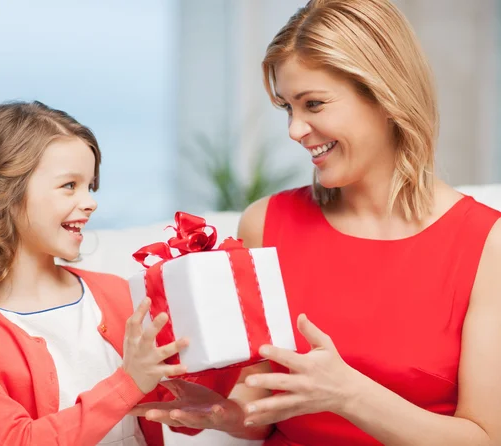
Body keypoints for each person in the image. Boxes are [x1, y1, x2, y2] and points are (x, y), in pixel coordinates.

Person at [130, 0, 501, 444]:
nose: (295, 129)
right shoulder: (265, 223)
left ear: (385, 96)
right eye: (288, 108)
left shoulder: (486, 244)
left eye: (314, 104)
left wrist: (350, 396)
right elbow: (266, 406)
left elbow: (484, 436)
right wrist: (226, 412)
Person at [0, 101, 238, 446]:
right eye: (69, 186)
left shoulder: (117, 294)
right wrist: (129, 382)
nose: (90, 202)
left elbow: (179, 416)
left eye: (90, 186)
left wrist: (225, 344)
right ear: (1, 193)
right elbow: (17, 441)